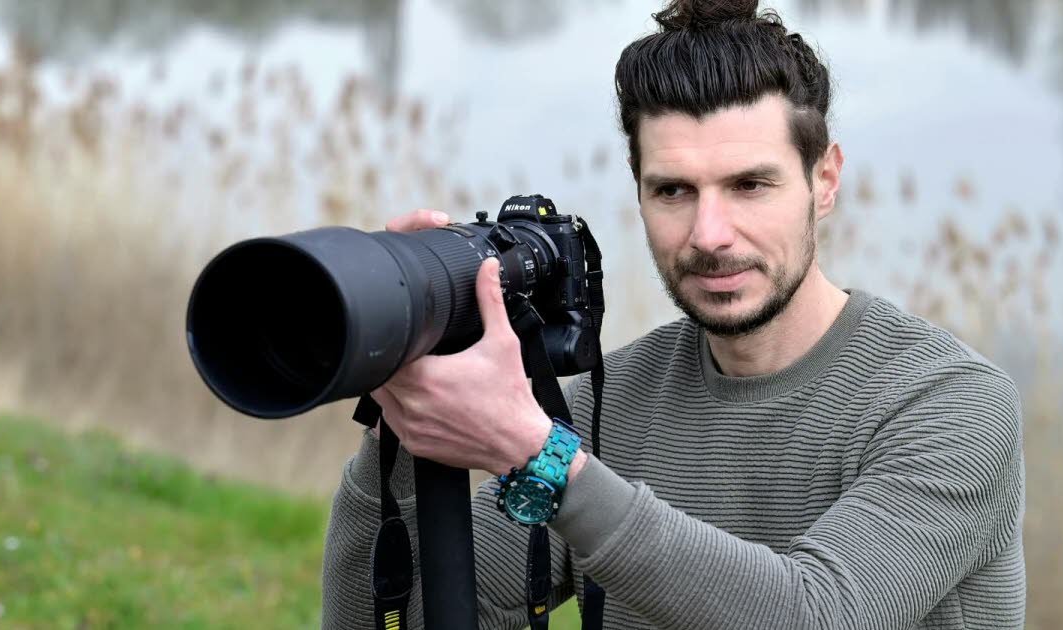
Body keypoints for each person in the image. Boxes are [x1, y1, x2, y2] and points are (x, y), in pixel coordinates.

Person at [321, 0, 1026, 628]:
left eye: (750, 185)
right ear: (638, 192)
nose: (709, 234)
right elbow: (391, 620)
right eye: (674, 192)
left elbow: (817, 611)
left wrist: (540, 456)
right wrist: (407, 402)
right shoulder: (609, 403)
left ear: (825, 181)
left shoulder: (951, 404)